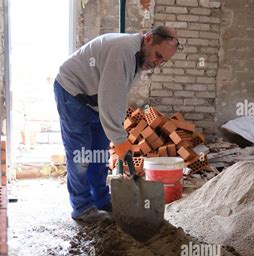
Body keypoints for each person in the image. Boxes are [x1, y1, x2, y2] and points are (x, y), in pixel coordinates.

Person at [54, 26, 181, 223]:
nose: (157, 63)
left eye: (163, 61)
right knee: (80, 155)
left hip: (93, 97)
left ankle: (102, 201)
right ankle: (82, 208)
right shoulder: (123, 51)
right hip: (72, 91)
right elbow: (110, 96)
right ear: (148, 39)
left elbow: (117, 97)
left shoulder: (138, 60)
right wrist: (120, 139)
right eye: (158, 55)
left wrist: (118, 133)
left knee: (99, 153)